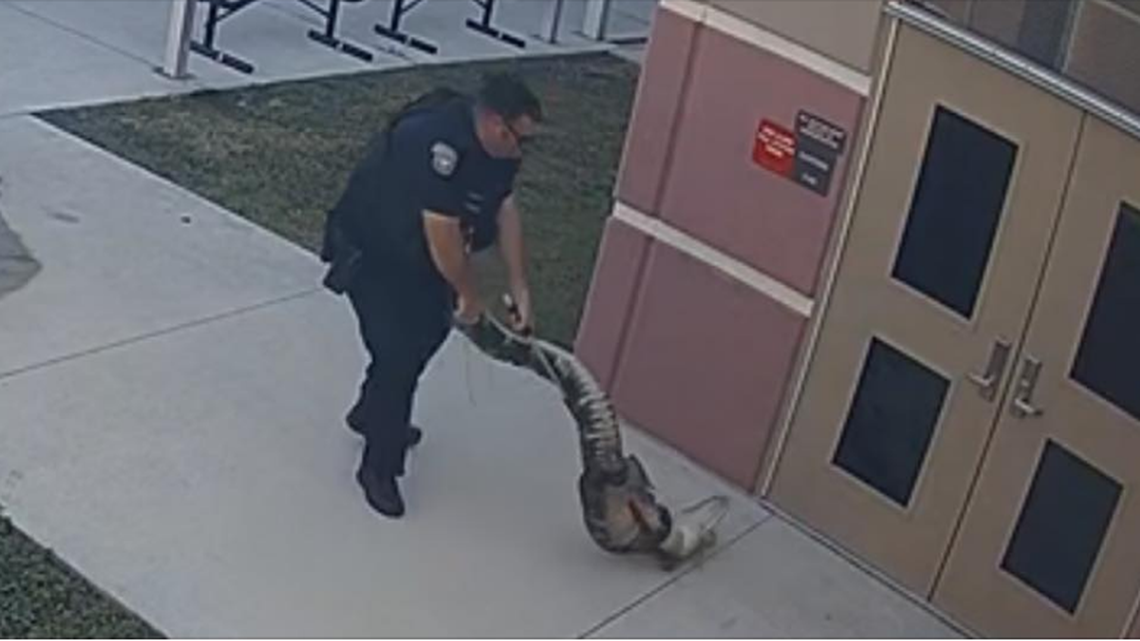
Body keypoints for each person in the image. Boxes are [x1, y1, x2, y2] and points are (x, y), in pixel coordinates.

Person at [322, 73, 541, 518]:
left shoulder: (500, 151)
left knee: (425, 337)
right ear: (497, 125)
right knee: (397, 355)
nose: (524, 151)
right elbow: (440, 231)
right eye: (522, 139)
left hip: (421, 262)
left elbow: (504, 207)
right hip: (373, 252)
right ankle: (379, 468)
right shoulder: (433, 138)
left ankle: (371, 412)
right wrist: (469, 294)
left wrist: (519, 284)